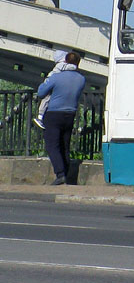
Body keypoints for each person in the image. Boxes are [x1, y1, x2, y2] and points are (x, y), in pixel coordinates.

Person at [36, 51, 86, 186]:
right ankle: (67, 174)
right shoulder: (81, 79)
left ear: (65, 61)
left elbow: (41, 92)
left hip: (53, 113)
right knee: (65, 145)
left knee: (52, 145)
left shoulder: (57, 77)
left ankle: (60, 174)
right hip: (70, 114)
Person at [33, 50, 69, 129]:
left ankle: (41, 116)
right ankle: (41, 116)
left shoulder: (56, 67)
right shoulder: (63, 66)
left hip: (51, 84)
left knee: (46, 98)